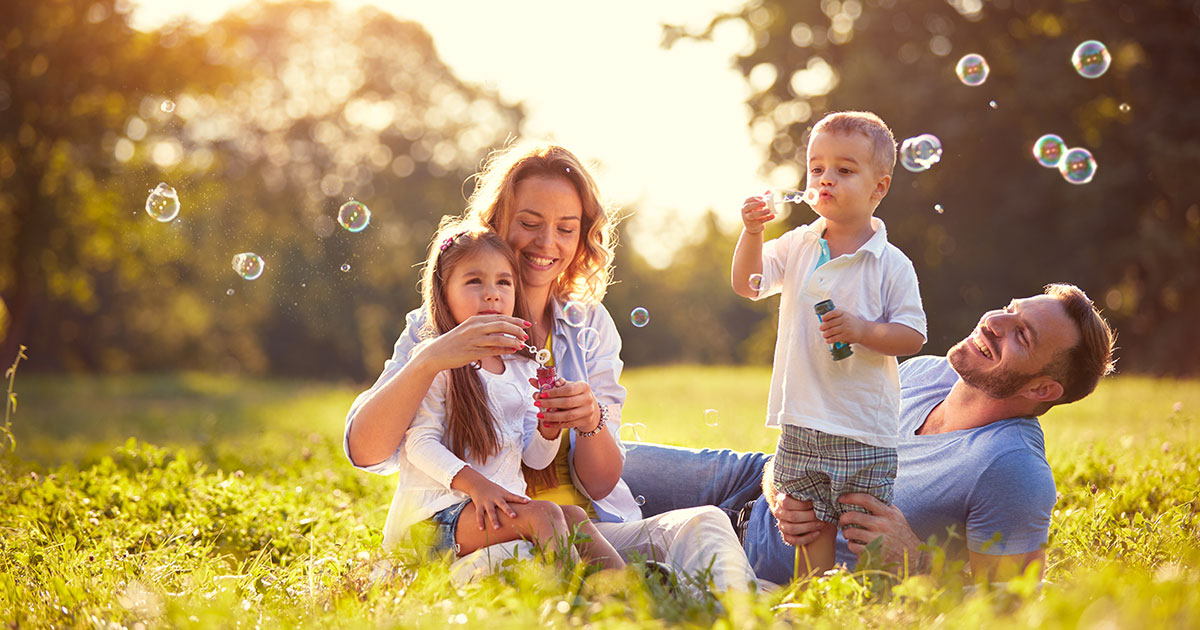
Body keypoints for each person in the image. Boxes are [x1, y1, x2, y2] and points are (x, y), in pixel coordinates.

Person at [344, 142, 756, 591]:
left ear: (583, 236)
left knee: (705, 524)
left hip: (586, 529)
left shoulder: (589, 324)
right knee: (549, 575)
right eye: (529, 223)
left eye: (566, 228)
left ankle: (747, 617)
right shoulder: (441, 325)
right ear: (497, 222)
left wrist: (587, 420)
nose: (547, 243)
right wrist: (429, 359)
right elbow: (366, 451)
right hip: (484, 535)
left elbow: (597, 484)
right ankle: (628, 600)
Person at [622, 283, 1116, 585]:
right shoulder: (925, 373)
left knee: (584, 542)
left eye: (1022, 334)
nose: (994, 322)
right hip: (750, 480)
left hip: (760, 556)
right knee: (591, 460)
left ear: (1043, 387)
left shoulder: (1012, 468)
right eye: (1010, 309)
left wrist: (917, 561)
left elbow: (1009, 611)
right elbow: (816, 434)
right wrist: (778, 479)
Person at [731, 111, 927, 575]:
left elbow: (913, 335)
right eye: (816, 168)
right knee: (807, 521)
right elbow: (748, 283)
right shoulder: (799, 244)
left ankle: (875, 597)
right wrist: (753, 232)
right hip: (802, 416)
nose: (825, 179)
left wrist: (862, 331)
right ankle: (816, 597)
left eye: (844, 170)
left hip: (863, 424)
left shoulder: (890, 264)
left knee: (864, 525)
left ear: (879, 188)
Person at [392, 228, 624, 569]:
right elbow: (418, 444)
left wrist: (549, 427)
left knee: (573, 516)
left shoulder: (520, 368)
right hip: (434, 520)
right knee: (545, 514)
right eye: (474, 282)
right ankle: (575, 601)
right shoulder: (436, 360)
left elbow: (536, 458)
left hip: (492, 511)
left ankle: (630, 592)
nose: (491, 295)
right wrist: (478, 486)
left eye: (504, 283)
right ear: (443, 293)